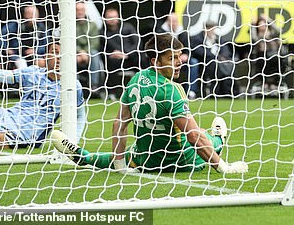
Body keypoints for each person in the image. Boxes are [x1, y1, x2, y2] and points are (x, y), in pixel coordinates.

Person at [51, 34, 248, 175]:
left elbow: (119, 123)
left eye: (180, 56)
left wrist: (119, 164)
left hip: (144, 158)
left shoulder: (135, 79)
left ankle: (83, 157)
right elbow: (193, 136)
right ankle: (220, 139)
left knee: (111, 158)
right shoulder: (172, 90)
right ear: (155, 61)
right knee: (205, 137)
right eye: (172, 58)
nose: (179, 62)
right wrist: (225, 169)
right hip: (178, 160)